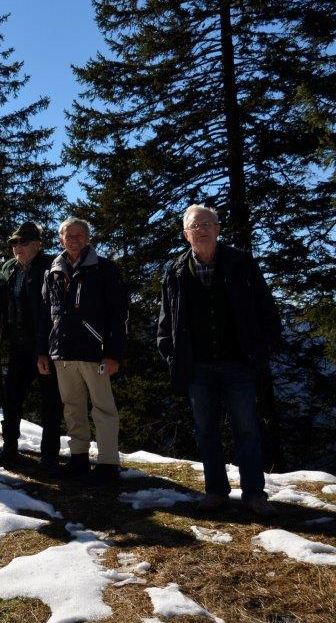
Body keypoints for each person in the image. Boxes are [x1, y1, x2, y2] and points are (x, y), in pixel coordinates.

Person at [157, 205, 282, 517]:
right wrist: (172, 355)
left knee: (247, 430)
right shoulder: (175, 270)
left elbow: (266, 307)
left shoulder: (241, 262)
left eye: (207, 224)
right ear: (185, 234)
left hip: (239, 363)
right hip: (197, 367)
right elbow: (165, 321)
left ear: (217, 228)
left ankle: (254, 494)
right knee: (206, 431)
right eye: (194, 226)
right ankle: (215, 492)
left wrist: (261, 349)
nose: (201, 230)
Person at [37, 218, 128, 484]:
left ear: (88, 238)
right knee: (72, 407)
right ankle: (78, 458)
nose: (74, 239)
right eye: (69, 235)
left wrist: (113, 353)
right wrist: (42, 351)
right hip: (62, 352)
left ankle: (108, 463)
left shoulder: (104, 269)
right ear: (61, 239)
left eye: (80, 235)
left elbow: (119, 314)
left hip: (95, 352)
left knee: (103, 409)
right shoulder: (53, 271)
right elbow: (45, 315)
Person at [0, 222, 63, 468]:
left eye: (23, 242)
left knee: (50, 401)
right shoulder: (9, 268)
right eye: (14, 243)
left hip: (44, 346)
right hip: (18, 345)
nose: (17, 247)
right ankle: (9, 447)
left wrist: (44, 350)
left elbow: (50, 312)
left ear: (37, 244)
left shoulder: (50, 266)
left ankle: (49, 455)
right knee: (11, 397)